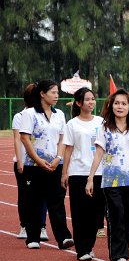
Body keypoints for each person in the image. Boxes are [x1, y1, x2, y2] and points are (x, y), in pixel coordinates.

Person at [86, 89, 129, 261]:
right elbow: (98, 154)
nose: (119, 107)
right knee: (116, 214)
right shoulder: (105, 128)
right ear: (111, 106)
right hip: (111, 180)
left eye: (123, 103)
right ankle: (119, 254)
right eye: (116, 103)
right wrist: (90, 178)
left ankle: (123, 247)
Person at [19, 80, 73, 250]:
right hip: (34, 165)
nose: (57, 96)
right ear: (42, 94)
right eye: (53, 92)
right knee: (34, 200)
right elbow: (25, 138)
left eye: (57, 92)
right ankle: (33, 237)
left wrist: (58, 157)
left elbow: (62, 138)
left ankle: (63, 237)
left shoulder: (60, 115)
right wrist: (37, 159)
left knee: (57, 201)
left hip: (55, 164)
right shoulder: (29, 114)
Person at [61, 88, 105, 261]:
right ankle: (82, 249)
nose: (91, 102)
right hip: (78, 172)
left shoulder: (101, 122)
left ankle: (90, 244)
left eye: (93, 99)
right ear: (79, 103)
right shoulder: (72, 124)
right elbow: (68, 149)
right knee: (80, 212)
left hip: (99, 172)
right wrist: (64, 172)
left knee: (96, 213)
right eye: (87, 100)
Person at [13, 84, 43, 241]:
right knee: (25, 195)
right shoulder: (20, 116)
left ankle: (41, 227)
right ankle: (24, 225)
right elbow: (18, 140)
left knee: (42, 196)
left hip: (42, 162)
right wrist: (20, 161)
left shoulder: (46, 115)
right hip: (25, 163)